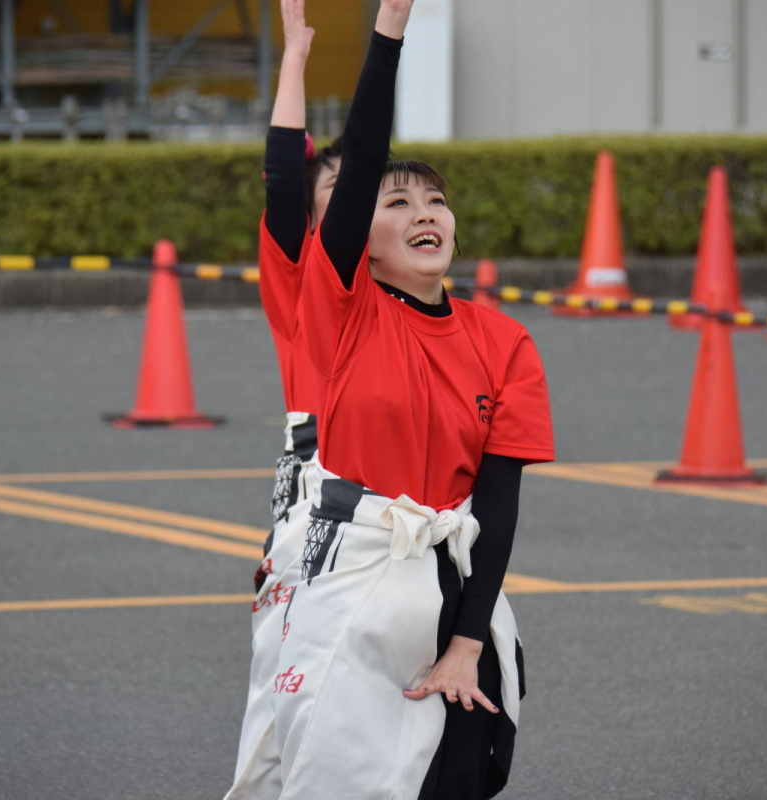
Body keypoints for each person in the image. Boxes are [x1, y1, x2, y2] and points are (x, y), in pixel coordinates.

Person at [258, 2, 556, 797]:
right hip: (352, 575)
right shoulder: (341, 307)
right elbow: (349, 165)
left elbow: (497, 506)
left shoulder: (507, 344)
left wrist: (466, 641)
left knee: (459, 775)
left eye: (435, 201)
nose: (425, 213)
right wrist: (387, 30)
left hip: (454, 587)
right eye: (398, 204)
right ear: (360, 237)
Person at [225, 1, 332, 795]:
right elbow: (283, 173)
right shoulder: (302, 279)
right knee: (288, 687)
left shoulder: (407, 292)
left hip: (408, 503)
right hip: (320, 490)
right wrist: (294, 58)